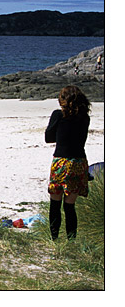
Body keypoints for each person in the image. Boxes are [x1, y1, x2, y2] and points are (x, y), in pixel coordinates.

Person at [45, 85, 91, 240]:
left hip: (61, 163)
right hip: (79, 162)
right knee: (70, 207)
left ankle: (54, 239)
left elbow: (48, 137)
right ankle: (71, 240)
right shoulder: (85, 117)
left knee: (55, 204)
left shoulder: (58, 115)